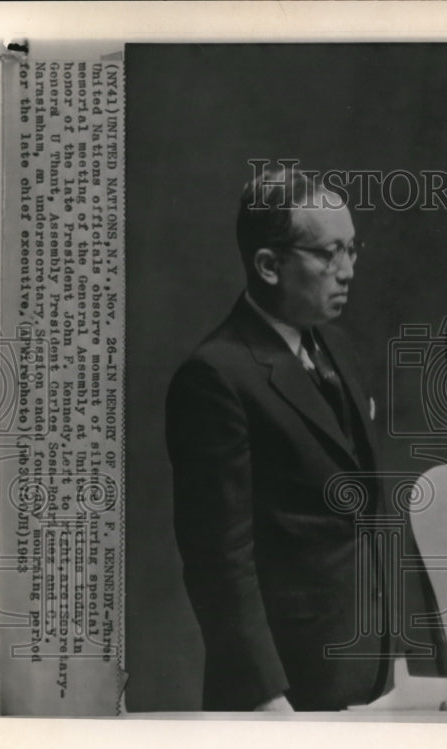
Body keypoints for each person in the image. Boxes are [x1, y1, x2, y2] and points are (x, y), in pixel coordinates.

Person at [166, 167, 389, 710]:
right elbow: (220, 561)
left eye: (353, 248)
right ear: (269, 265)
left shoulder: (338, 349)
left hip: (364, 675)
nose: (348, 270)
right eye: (329, 253)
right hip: (284, 692)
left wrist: (391, 658)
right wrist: (267, 699)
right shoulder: (217, 375)